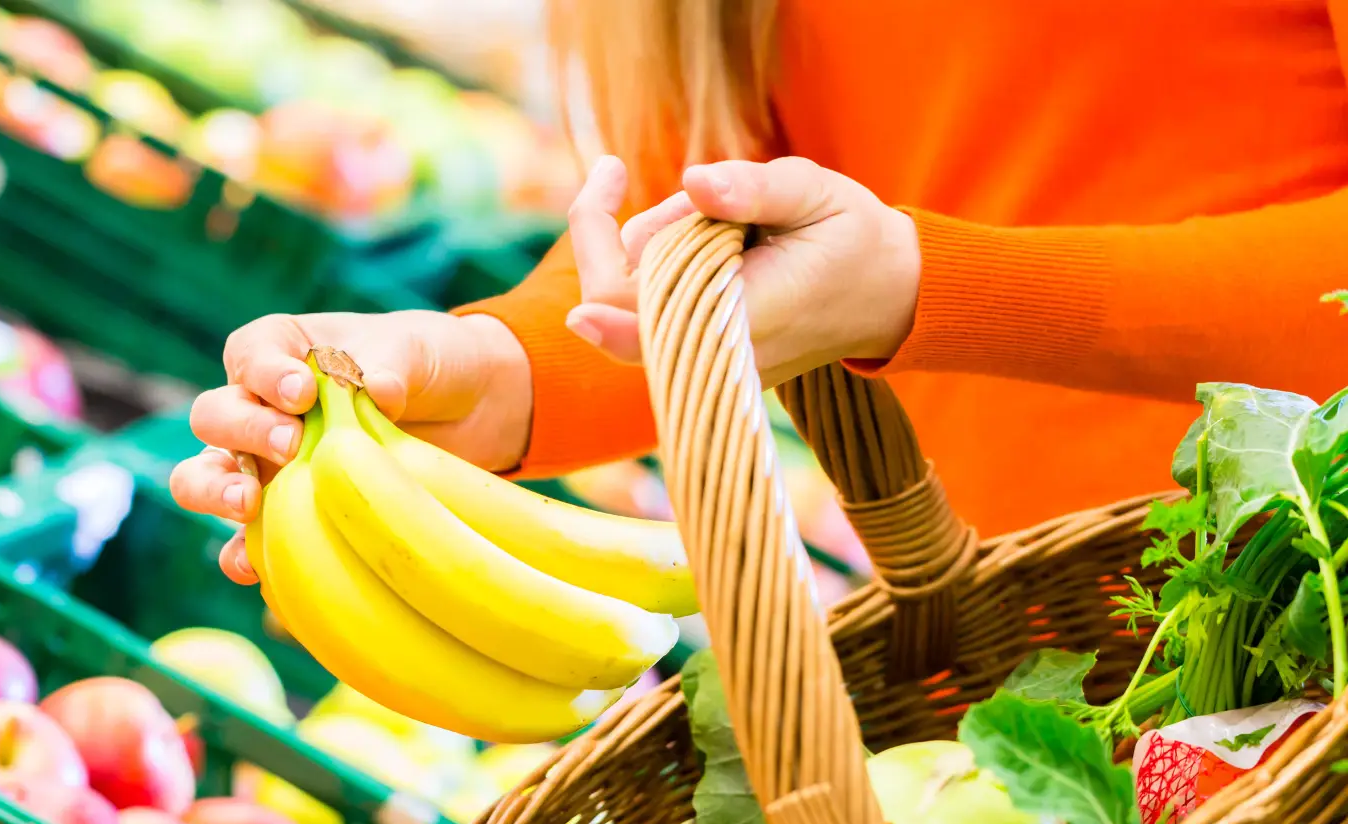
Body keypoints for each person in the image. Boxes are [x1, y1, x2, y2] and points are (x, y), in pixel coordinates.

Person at [173, 0, 1348, 584]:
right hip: (1069, 683)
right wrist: (491, 373)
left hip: (1313, 599)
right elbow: (687, 242)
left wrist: (928, 287)